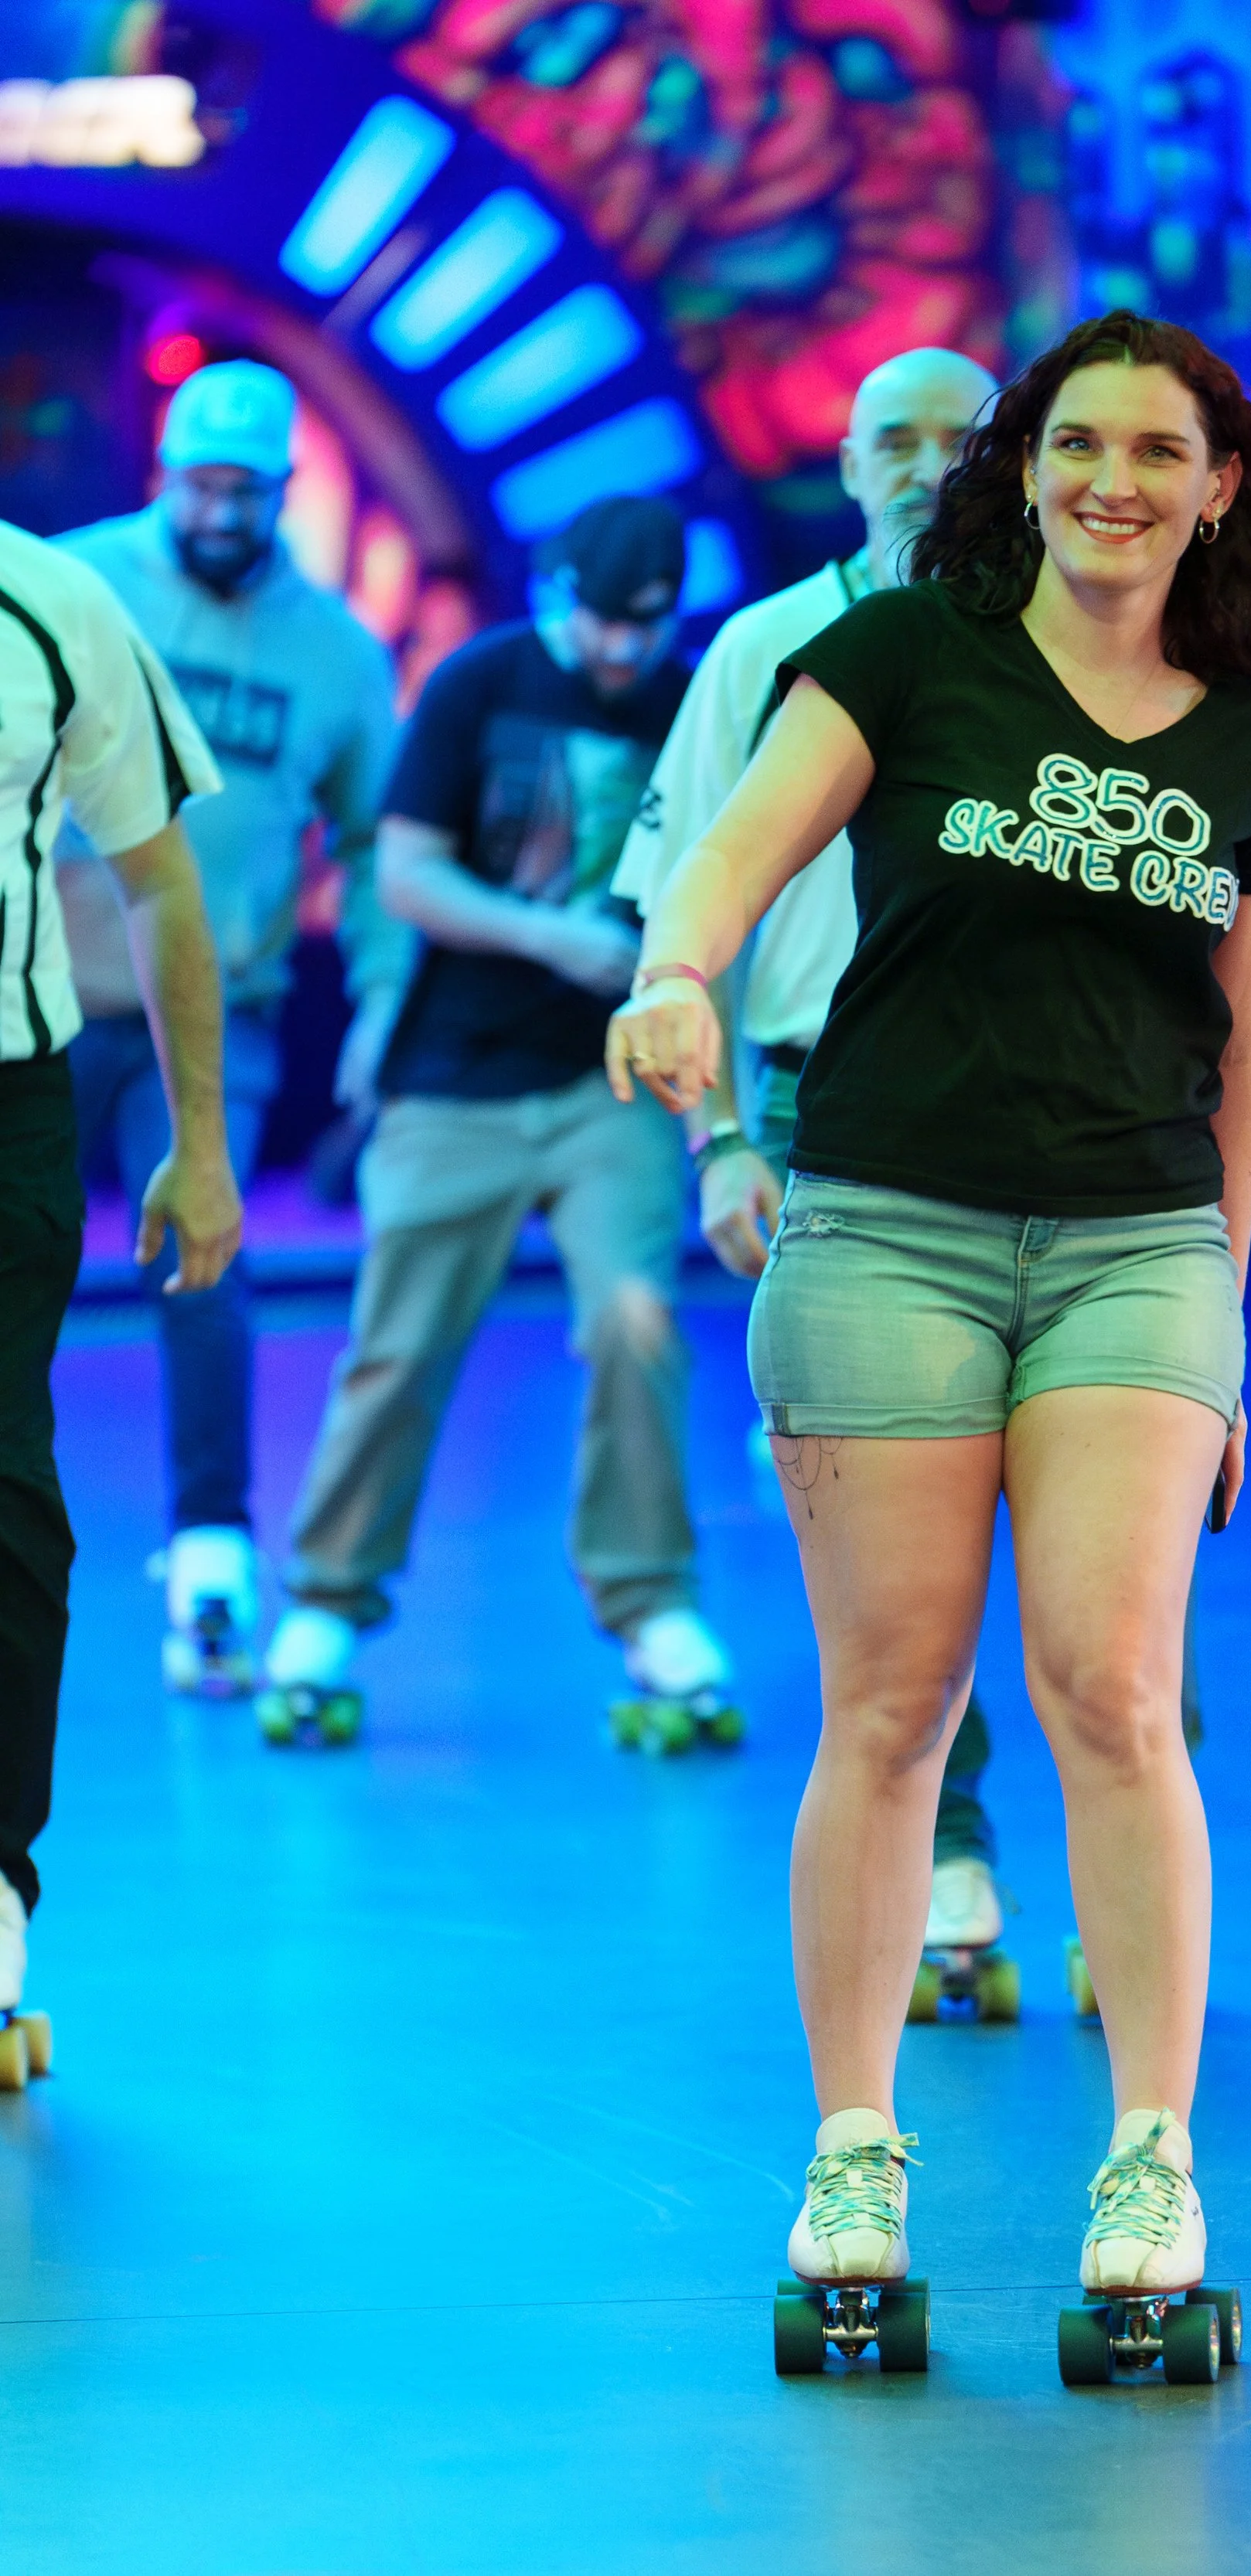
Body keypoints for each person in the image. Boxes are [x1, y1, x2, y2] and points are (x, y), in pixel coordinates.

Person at [606, 311, 1251, 2313]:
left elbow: (1246, 1043)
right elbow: (726, 864)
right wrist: (676, 973)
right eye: (1074, 443)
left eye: (1154, 450)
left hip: (1134, 1245)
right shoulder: (900, 654)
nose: (1110, 479)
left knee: (1112, 1692)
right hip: (886, 1229)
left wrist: (1221, 1319)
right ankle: (855, 2154)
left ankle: (1149, 2162)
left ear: (1218, 486)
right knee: (887, 1707)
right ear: (1022, 470)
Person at [613, 345, 1024, 1965]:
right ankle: (957, 1841)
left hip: (1047, 1111)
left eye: (960, 438)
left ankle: (1145, 1848)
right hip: (817, 1110)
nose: (927, 465)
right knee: (893, 1512)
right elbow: (680, 901)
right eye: (893, 442)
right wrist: (716, 1137)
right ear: (847, 470)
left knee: (1091, 1512)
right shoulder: (765, 650)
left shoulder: (1084, 649)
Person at [257, 496, 731, 1737]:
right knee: (399, 1345)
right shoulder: (480, 678)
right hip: (453, 1077)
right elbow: (403, 872)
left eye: (644, 629)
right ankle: (327, 1601)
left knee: (637, 1320)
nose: (620, 653)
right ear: (552, 588)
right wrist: (555, 937)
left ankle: (650, 1604)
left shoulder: (695, 699)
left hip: (608, 1085)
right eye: (598, 623)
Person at [55, 359, 407, 1691]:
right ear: (164, 476)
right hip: (43, 992)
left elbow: (377, 845)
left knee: (207, 1255)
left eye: (245, 488)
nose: (220, 508)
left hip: (219, 1014)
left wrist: (377, 1001)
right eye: (200, 483)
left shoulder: (336, 652)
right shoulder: (75, 586)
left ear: (280, 491)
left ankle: (211, 1554)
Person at [0, 516, 239, 2071]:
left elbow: (156, 878)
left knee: (2, 1481)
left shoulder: (52, 598)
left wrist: (200, 1139)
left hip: (6, 1098)